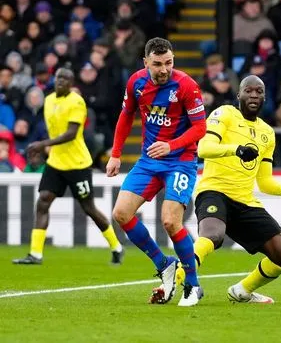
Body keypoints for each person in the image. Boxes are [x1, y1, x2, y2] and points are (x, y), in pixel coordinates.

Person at [173, 75, 281, 304]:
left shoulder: (267, 133)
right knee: (213, 236)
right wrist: (237, 149)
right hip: (214, 191)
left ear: (264, 97)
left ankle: (242, 290)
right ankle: (176, 280)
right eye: (249, 90)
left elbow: (265, 183)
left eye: (259, 91)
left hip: (245, 201)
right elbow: (204, 148)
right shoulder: (224, 113)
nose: (254, 95)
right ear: (239, 95)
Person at [106, 38, 207, 306]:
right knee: (121, 213)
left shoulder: (186, 85)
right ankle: (164, 264)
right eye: (158, 64)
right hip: (149, 160)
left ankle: (193, 285)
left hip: (181, 160)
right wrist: (116, 154)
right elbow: (126, 116)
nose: (164, 69)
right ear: (146, 62)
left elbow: (200, 128)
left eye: (169, 63)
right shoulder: (136, 83)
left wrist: (171, 145)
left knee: (171, 222)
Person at [13, 68, 123, 265]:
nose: (61, 81)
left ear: (72, 83)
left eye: (66, 79)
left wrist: (42, 144)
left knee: (88, 208)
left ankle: (116, 247)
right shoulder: (48, 100)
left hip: (77, 164)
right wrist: (46, 149)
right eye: (58, 78)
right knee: (43, 201)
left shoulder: (77, 102)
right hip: (56, 162)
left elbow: (71, 134)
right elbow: (54, 130)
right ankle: (35, 254)